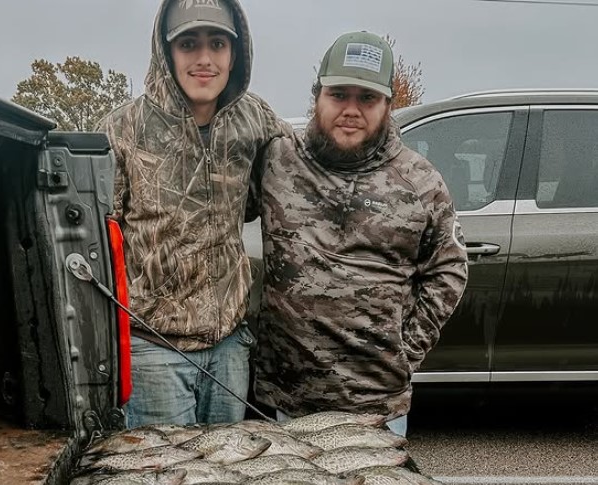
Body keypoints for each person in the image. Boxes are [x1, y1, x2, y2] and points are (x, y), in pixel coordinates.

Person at [253, 31, 469, 436]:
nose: (351, 109)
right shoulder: (278, 162)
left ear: (388, 105)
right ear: (317, 96)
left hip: (375, 410)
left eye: (367, 98)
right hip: (286, 401)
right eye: (339, 94)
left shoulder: (420, 183)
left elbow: (450, 269)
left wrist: (407, 350)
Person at [100, 0, 286, 427]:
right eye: (189, 44)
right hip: (154, 351)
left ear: (234, 54)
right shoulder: (122, 129)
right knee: (167, 482)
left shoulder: (255, 119)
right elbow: (99, 240)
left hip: (231, 347)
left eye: (217, 43)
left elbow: (300, 173)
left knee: (223, 484)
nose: (204, 59)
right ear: (167, 53)